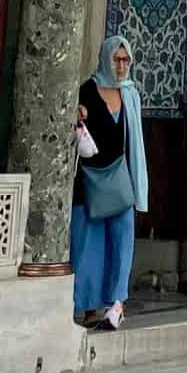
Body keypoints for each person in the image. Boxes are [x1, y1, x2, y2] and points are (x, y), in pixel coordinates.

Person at [72, 30, 146, 329]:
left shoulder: (130, 94)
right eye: (116, 59)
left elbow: (135, 143)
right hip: (89, 181)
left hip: (119, 181)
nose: (120, 66)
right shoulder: (87, 91)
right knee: (87, 243)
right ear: (105, 59)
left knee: (121, 242)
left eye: (125, 60)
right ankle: (89, 307)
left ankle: (116, 303)